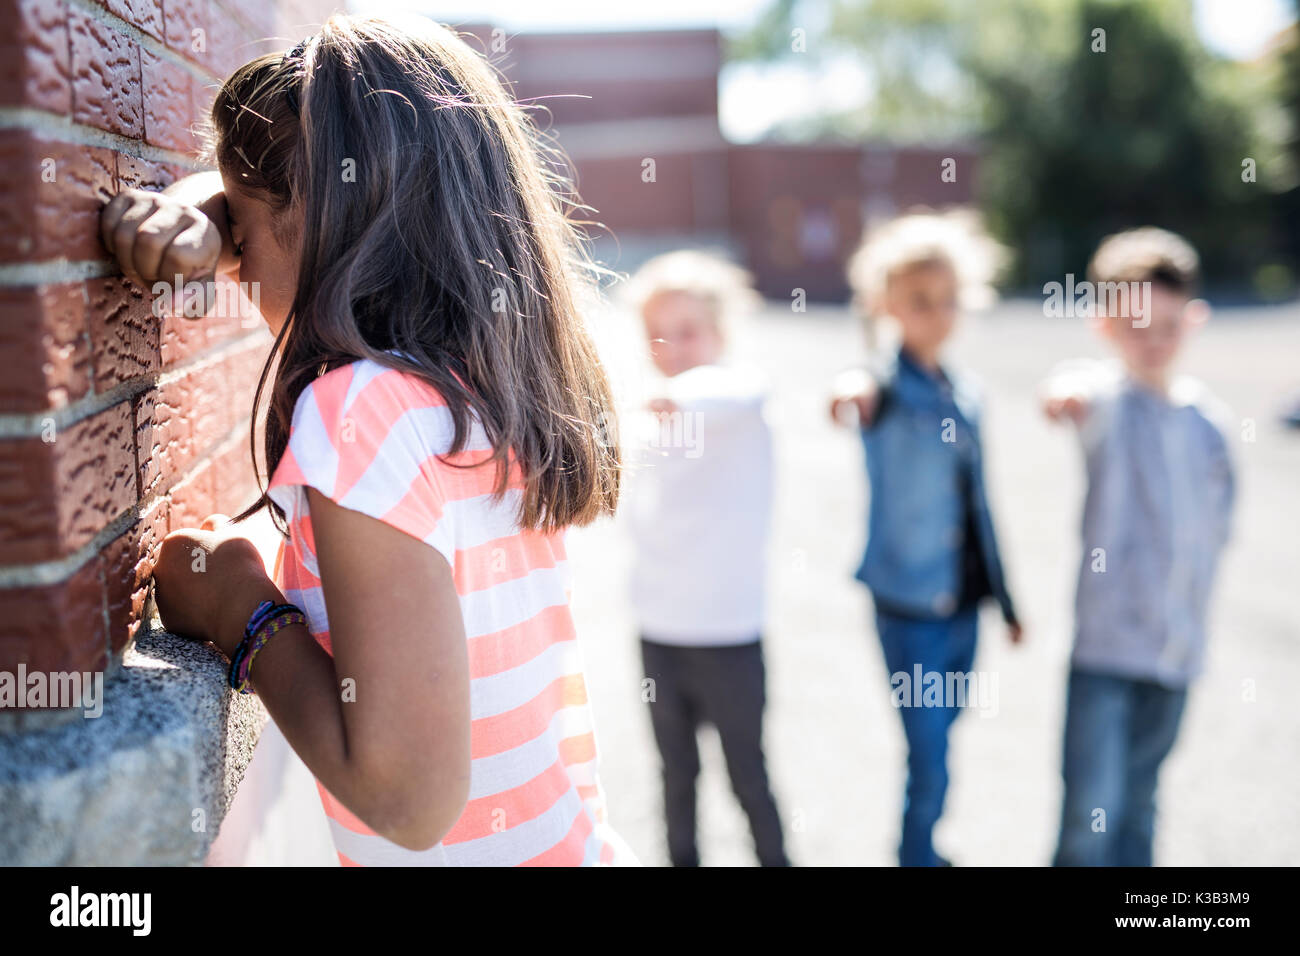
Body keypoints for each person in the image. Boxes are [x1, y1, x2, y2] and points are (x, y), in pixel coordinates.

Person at [98, 14, 637, 866]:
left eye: (238, 232)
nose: (234, 269)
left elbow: (407, 799)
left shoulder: (359, 412)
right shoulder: (484, 380)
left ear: (320, 210)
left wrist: (244, 611)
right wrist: (208, 204)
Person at [830, 212, 1021, 867]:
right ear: (887, 305)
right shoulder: (883, 386)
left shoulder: (966, 393)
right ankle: (917, 853)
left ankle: (928, 841)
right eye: (919, 302)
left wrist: (1010, 601)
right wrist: (846, 396)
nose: (936, 314)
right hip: (910, 608)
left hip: (965, 602)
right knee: (930, 752)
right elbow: (856, 389)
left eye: (948, 301)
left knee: (945, 738)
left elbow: (979, 509)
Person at [1042, 227, 1235, 867]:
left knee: (1142, 804)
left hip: (1176, 654)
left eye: (1168, 326)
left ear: (1194, 319)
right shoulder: (1109, 407)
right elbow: (1082, 393)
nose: (1152, 341)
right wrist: (1066, 394)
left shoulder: (1208, 425)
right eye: (1134, 326)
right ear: (1105, 327)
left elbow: (1217, 530)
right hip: (1107, 652)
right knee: (1088, 815)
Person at [622, 251, 790, 866]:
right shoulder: (653, 417)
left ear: (721, 334)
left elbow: (733, 387)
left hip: (727, 633)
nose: (669, 348)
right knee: (674, 778)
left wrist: (677, 396)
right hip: (658, 629)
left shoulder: (736, 401)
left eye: (688, 332)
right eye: (656, 335)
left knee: (748, 774)